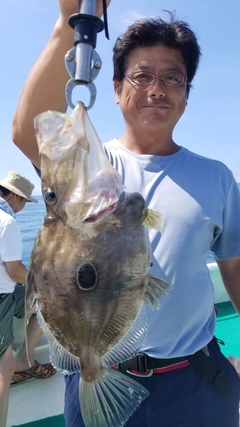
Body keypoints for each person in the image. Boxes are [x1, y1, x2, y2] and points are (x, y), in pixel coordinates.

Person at [12, 1, 240, 426]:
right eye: (142, 76)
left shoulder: (217, 177)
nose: (157, 88)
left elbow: (235, 270)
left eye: (173, 78)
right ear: (115, 88)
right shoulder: (91, 170)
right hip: (97, 372)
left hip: (196, 380)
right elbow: (28, 130)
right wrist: (70, 21)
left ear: (186, 94)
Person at [0, 171, 56, 427]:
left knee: (43, 303)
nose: (22, 208)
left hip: (10, 291)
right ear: (13, 196)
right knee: (4, 369)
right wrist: (45, 283)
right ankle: (20, 361)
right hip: (3, 296)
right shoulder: (6, 222)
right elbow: (14, 271)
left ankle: (25, 360)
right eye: (23, 201)